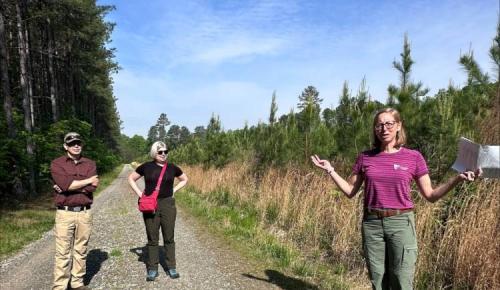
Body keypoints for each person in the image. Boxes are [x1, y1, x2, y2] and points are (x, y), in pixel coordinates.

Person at [311, 108, 481, 290]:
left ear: (398, 126)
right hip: (372, 224)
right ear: (375, 129)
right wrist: (331, 170)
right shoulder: (365, 157)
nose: (384, 128)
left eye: (389, 123)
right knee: (378, 280)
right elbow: (351, 190)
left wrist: (457, 179)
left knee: (401, 280)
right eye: (379, 125)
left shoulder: (413, 157)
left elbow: (431, 195)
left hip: (401, 223)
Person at [128, 141, 188, 281]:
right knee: (152, 238)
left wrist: (174, 190)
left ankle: (171, 267)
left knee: (169, 237)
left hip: (168, 204)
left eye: (165, 151)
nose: (163, 154)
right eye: (160, 151)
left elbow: (185, 179)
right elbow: (131, 178)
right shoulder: (146, 166)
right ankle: (153, 268)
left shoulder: (172, 168)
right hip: (150, 205)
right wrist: (140, 193)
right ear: (154, 152)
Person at [51, 132, 99, 290]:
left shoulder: (90, 164)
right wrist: (85, 182)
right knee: (62, 252)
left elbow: (93, 186)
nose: (76, 145)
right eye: (72, 143)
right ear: (66, 146)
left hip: (85, 213)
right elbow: (66, 185)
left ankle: (77, 283)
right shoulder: (57, 164)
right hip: (65, 213)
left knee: (81, 249)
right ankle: (60, 286)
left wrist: (68, 186)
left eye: (78, 143)